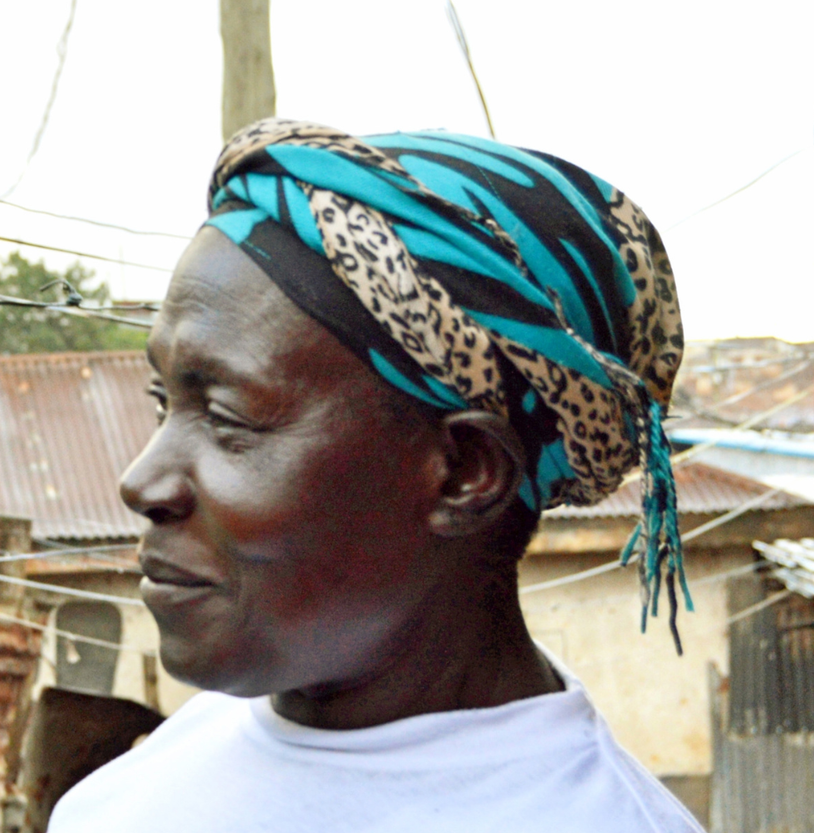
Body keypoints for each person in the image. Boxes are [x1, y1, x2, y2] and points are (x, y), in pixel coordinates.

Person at [48, 120, 703, 832]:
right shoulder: (123, 799)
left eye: (227, 417)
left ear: (464, 473)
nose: (141, 482)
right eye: (162, 403)